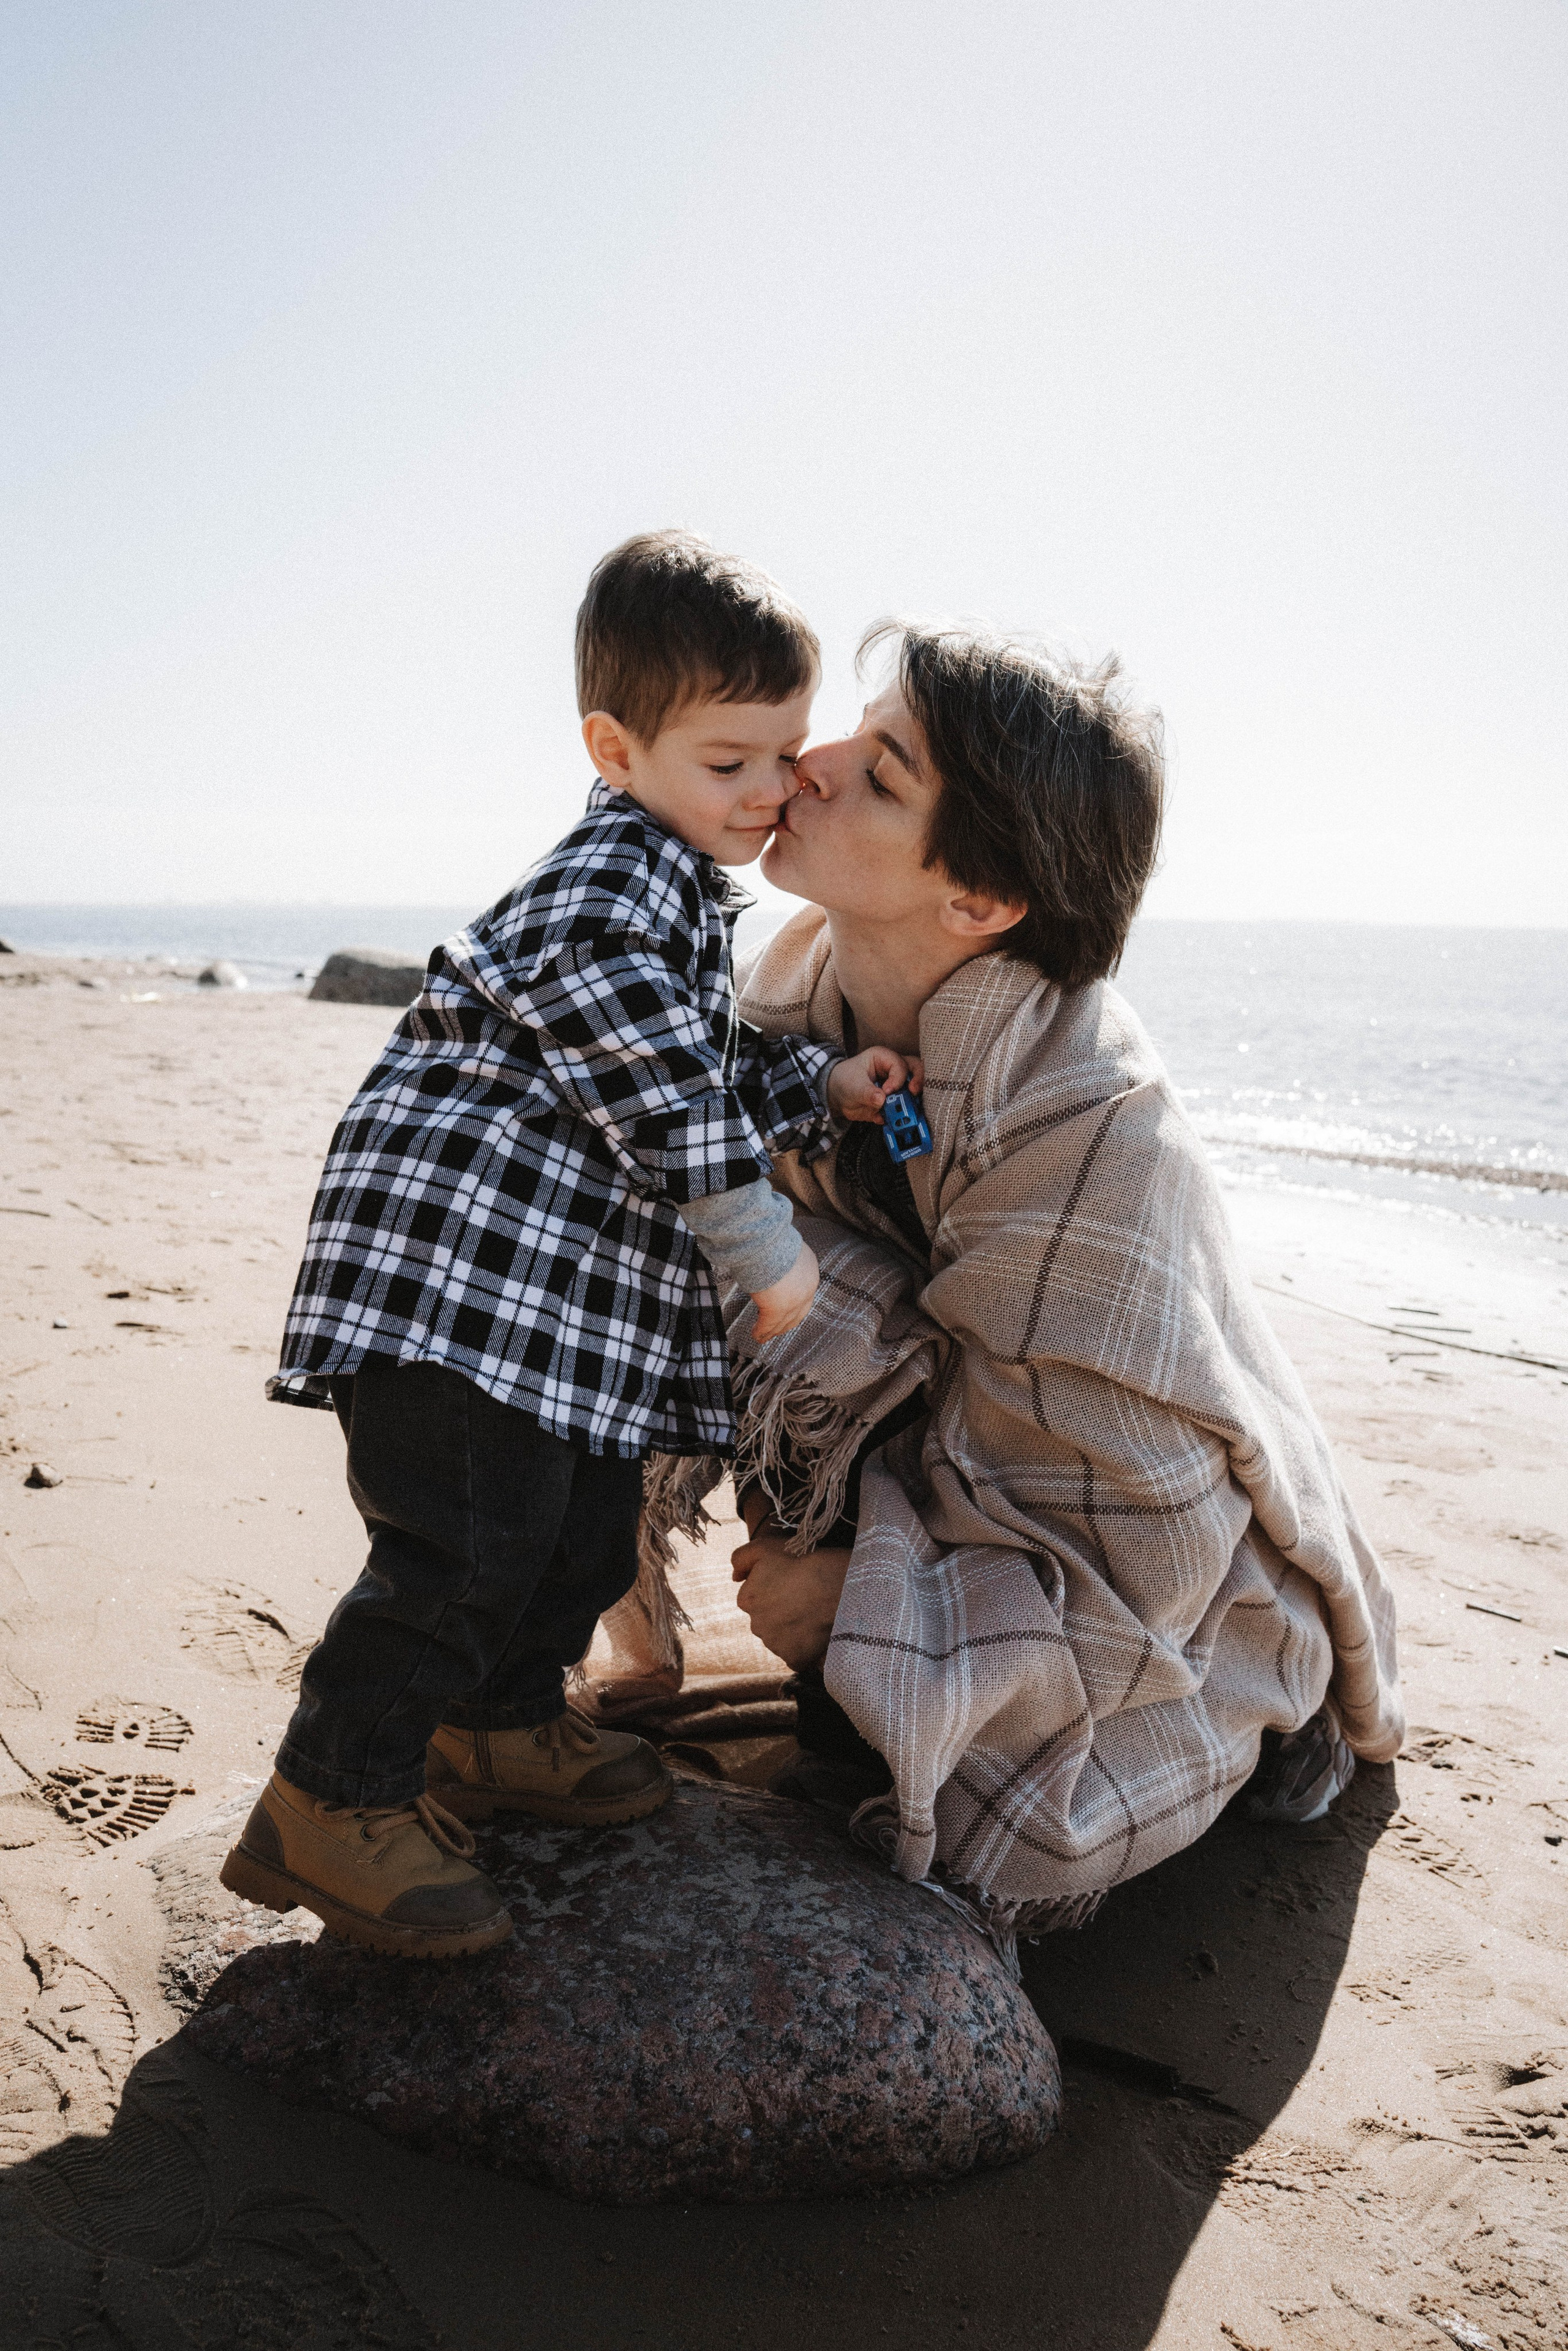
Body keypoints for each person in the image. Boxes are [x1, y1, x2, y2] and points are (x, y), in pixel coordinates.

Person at [220, 532, 919, 1958]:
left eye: (785, 754)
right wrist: (759, 1241)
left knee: (577, 1524)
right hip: (457, 1287)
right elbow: (659, 1074)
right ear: (616, 748)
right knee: (461, 1546)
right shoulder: (608, 884)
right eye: (729, 760)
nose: (770, 789)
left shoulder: (674, 891)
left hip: (549, 1315)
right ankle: (328, 1796)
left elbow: (707, 1054)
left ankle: (496, 1725)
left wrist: (815, 1086)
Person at [698, 621, 1404, 1940]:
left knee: (1008, 1822)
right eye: (855, 723)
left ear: (976, 901)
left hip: (1157, 1533)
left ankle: (1262, 1712)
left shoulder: (1091, 1124)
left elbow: (1118, 1506)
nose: (812, 760)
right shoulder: (782, 999)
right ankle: (861, 1677)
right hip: (939, 1446)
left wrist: (859, 1586)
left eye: (884, 771)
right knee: (745, 1259)